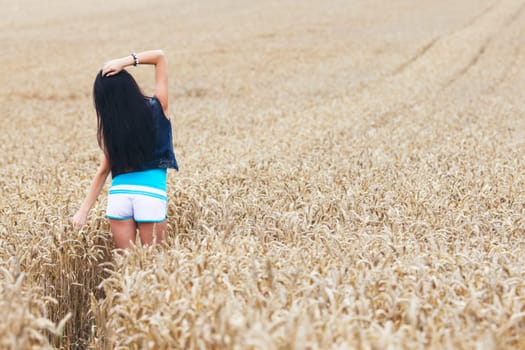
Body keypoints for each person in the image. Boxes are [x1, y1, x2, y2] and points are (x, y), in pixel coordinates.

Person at [71, 50, 179, 249]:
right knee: (155, 266)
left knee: (126, 266)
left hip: (119, 196)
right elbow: (160, 57)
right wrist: (124, 62)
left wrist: (83, 211)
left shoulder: (114, 128)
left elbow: (103, 171)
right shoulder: (158, 108)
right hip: (150, 194)